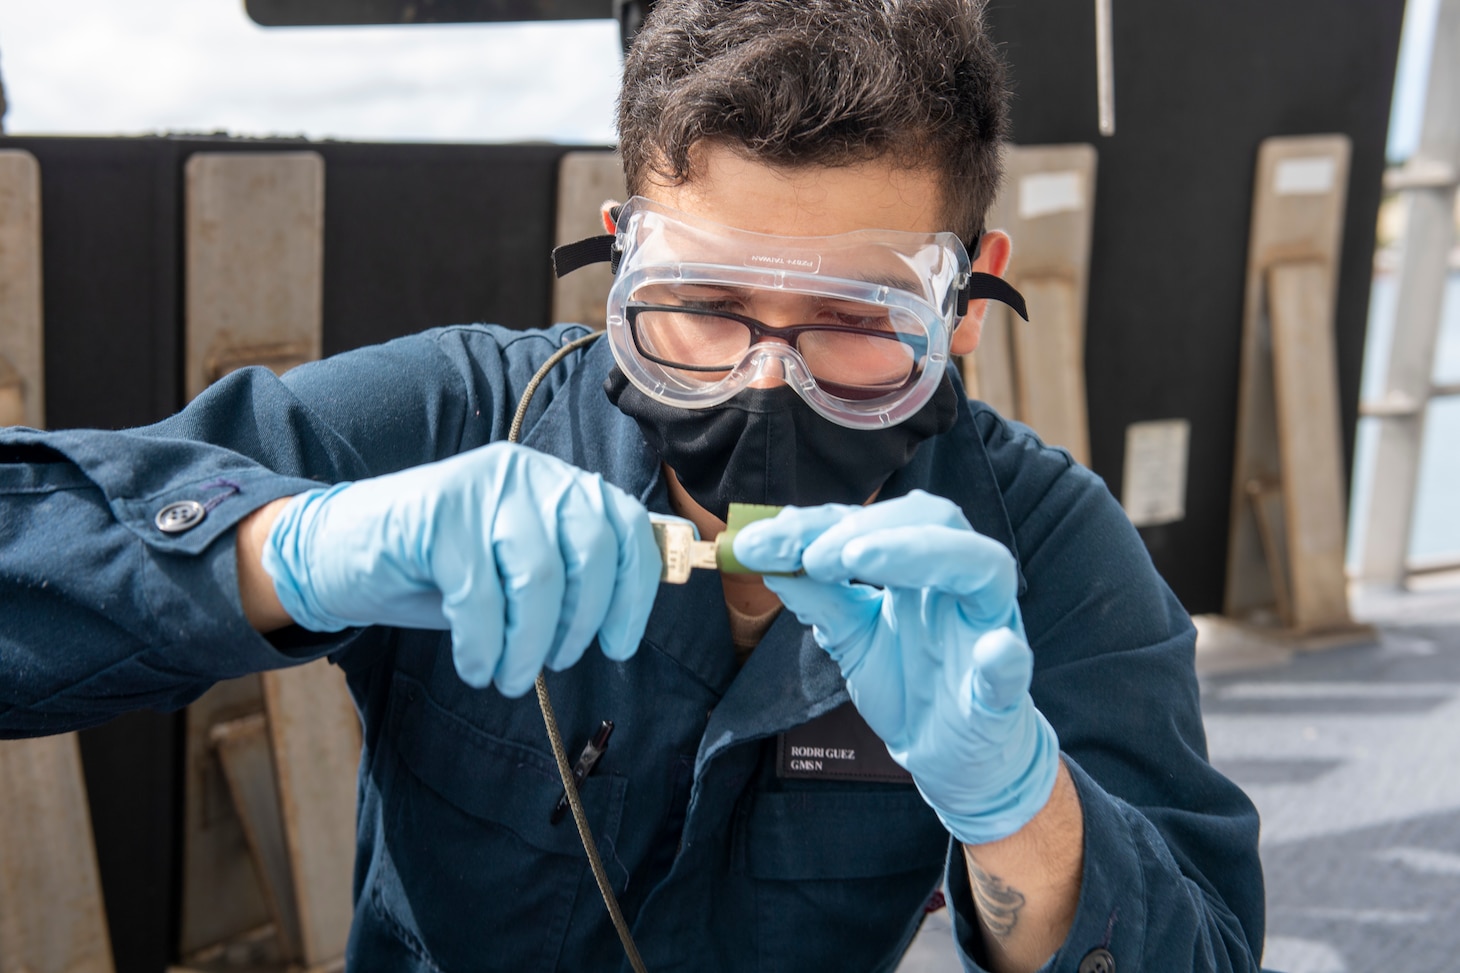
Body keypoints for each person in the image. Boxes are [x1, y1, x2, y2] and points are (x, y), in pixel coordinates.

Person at [0, 0, 1264, 970]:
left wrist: (1017, 807)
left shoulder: (1039, 551)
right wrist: (295, 546)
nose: (764, 382)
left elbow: (1202, 942)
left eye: (850, 320)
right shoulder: (462, 420)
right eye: (701, 309)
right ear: (619, 261)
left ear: (965, 300)